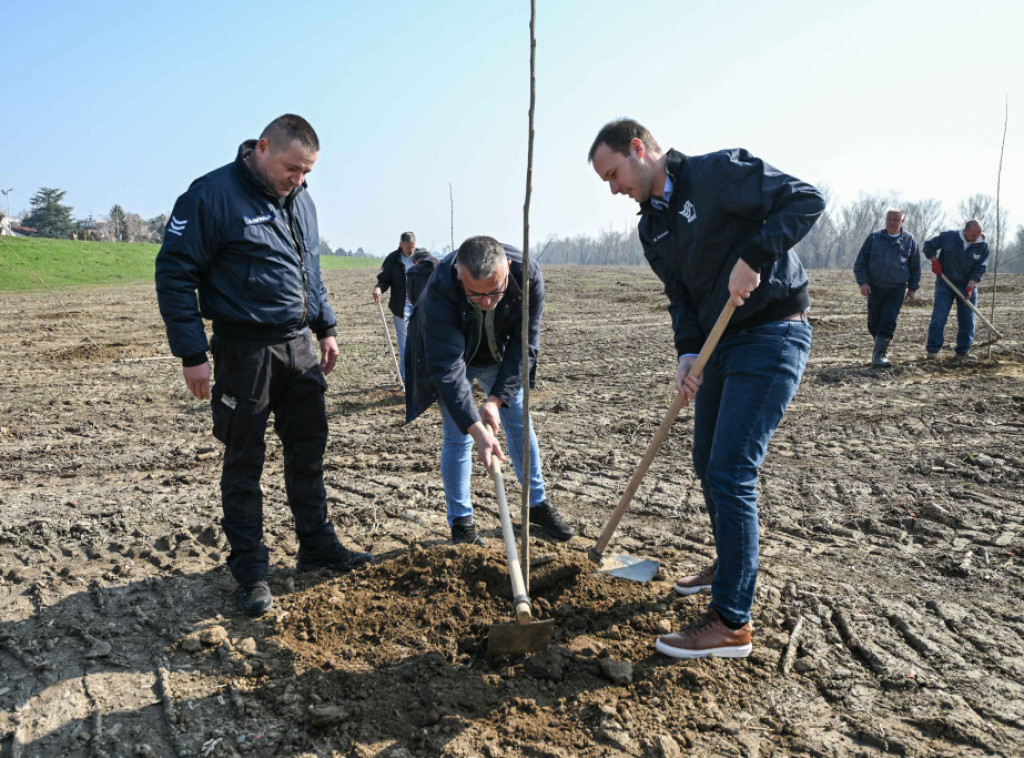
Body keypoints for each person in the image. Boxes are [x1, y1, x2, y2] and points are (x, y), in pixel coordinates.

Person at [589, 119, 823, 659]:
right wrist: (688, 352)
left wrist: (754, 258)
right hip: (720, 345)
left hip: (772, 332)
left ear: (639, 150)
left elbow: (805, 201)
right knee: (704, 460)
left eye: (614, 174)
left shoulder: (717, 173)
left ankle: (731, 621)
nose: (614, 188)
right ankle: (731, 559)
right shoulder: (651, 227)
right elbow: (681, 298)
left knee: (731, 468)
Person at [155, 114, 372, 617]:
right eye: (292, 167)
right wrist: (192, 353)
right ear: (263, 146)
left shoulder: (302, 200)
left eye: (307, 172)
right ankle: (251, 571)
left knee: (307, 451)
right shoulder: (211, 196)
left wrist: (327, 326)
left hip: (298, 346)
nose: (298, 179)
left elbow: (308, 270)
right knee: (244, 460)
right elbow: (174, 273)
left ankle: (316, 545)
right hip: (244, 351)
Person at [404, 235, 574, 546]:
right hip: (457, 359)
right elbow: (446, 367)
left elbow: (525, 346)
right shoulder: (439, 288)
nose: (485, 302)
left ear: (507, 268)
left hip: (501, 354)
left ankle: (536, 504)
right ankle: (462, 523)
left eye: (494, 293)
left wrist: (496, 400)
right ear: (458, 274)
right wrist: (478, 431)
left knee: (521, 423)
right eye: (475, 295)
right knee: (458, 436)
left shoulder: (529, 276)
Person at [852, 209, 921, 366]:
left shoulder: (909, 240)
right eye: (889, 219)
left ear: (902, 221)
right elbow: (860, 263)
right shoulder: (874, 238)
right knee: (873, 322)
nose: (892, 222)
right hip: (875, 287)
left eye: (896, 220)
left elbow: (915, 266)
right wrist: (863, 282)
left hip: (897, 288)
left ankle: (879, 355)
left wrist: (913, 288)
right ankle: (880, 345)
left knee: (889, 319)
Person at [923, 220, 990, 358]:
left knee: (968, 319)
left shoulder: (982, 246)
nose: (975, 238)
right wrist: (934, 260)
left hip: (967, 284)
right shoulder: (949, 237)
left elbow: (980, 268)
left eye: (978, 234)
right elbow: (928, 246)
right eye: (973, 235)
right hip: (945, 283)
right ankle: (933, 351)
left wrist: (971, 286)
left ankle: (963, 352)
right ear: (965, 231)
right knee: (939, 316)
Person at [373, 232, 424, 382]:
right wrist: (378, 289)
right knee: (405, 343)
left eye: (412, 247)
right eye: (407, 248)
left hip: (420, 306)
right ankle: (406, 378)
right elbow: (383, 280)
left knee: (421, 341)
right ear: (401, 244)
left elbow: (434, 273)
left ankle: (419, 376)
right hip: (401, 307)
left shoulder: (422, 256)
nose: (410, 251)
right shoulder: (392, 259)